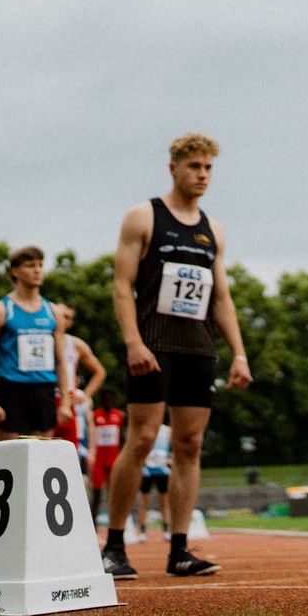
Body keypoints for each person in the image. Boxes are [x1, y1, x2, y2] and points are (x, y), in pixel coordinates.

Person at [99, 133, 252, 581]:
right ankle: (113, 545)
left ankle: (180, 549)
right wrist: (133, 342)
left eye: (208, 168)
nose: (202, 175)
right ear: (174, 168)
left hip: (197, 349)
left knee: (189, 445)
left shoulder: (213, 229)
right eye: (195, 167)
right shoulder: (144, 216)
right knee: (142, 439)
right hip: (153, 345)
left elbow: (221, 296)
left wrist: (239, 353)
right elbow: (121, 286)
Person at [0, 246, 73, 442]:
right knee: (8, 458)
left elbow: (61, 361)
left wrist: (66, 403)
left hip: (44, 389)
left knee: (42, 458)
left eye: (41, 265)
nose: (37, 270)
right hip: (12, 389)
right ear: (14, 271)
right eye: (30, 265)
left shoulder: (53, 312)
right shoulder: (0, 311)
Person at [52, 303, 109, 464]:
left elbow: (100, 371)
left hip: (66, 402)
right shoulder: (41, 339)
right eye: (61, 315)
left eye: (68, 318)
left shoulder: (75, 344)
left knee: (67, 455)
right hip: (44, 399)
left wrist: (85, 395)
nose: (63, 320)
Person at [88, 393, 126, 520]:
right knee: (97, 494)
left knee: (115, 493)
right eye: (105, 399)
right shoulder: (96, 416)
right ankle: (93, 527)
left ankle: (116, 523)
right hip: (99, 459)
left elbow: (122, 437)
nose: (108, 402)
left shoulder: (119, 415)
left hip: (114, 459)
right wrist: (91, 452)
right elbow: (91, 435)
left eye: (110, 399)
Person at [137, 422, 172, 535]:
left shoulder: (167, 430)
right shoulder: (145, 428)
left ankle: (166, 529)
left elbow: (176, 446)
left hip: (162, 470)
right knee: (144, 501)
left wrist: (171, 460)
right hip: (147, 470)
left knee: (164, 501)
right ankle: (142, 530)